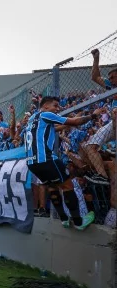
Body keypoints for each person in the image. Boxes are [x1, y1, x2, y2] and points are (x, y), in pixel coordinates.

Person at [25, 96, 104, 231]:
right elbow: (75, 122)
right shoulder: (46, 114)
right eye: (55, 105)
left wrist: (70, 123)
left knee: (52, 187)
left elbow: (55, 128)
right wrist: (93, 116)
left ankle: (64, 219)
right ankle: (79, 222)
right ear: (45, 106)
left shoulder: (33, 119)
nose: (58, 108)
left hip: (32, 162)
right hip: (47, 159)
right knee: (67, 185)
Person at [82, 48, 117, 185]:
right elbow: (95, 77)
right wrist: (96, 59)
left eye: (114, 77)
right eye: (110, 78)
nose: (110, 79)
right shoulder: (110, 86)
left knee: (115, 112)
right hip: (113, 123)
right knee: (90, 146)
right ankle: (102, 176)